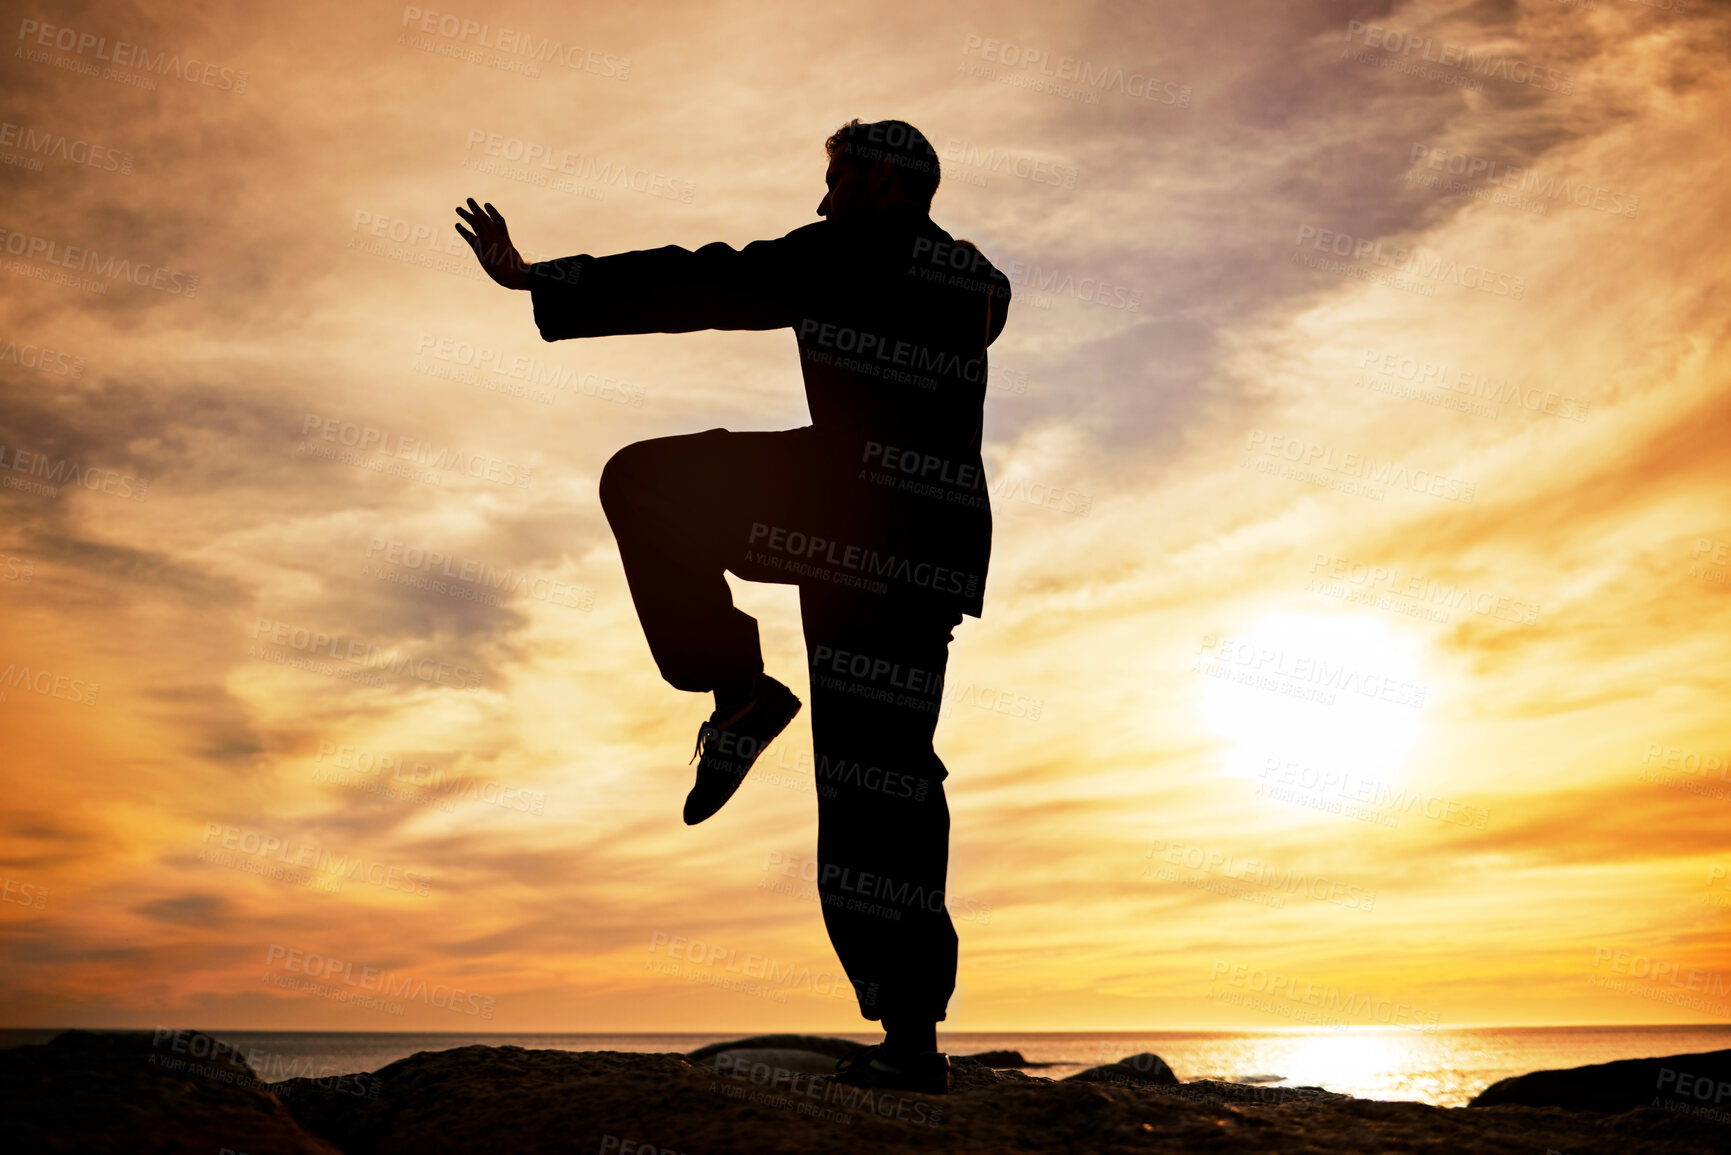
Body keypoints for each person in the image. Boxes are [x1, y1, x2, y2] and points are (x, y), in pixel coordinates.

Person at [455, 118, 1011, 1094]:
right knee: (884, 779)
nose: (820, 201)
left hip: (853, 518)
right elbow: (969, 307)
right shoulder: (974, 276)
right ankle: (913, 1041)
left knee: (645, 484)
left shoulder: (851, 253)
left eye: (836, 182)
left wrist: (540, 279)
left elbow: (703, 279)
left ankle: (737, 686)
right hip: (911, 543)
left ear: (884, 183)